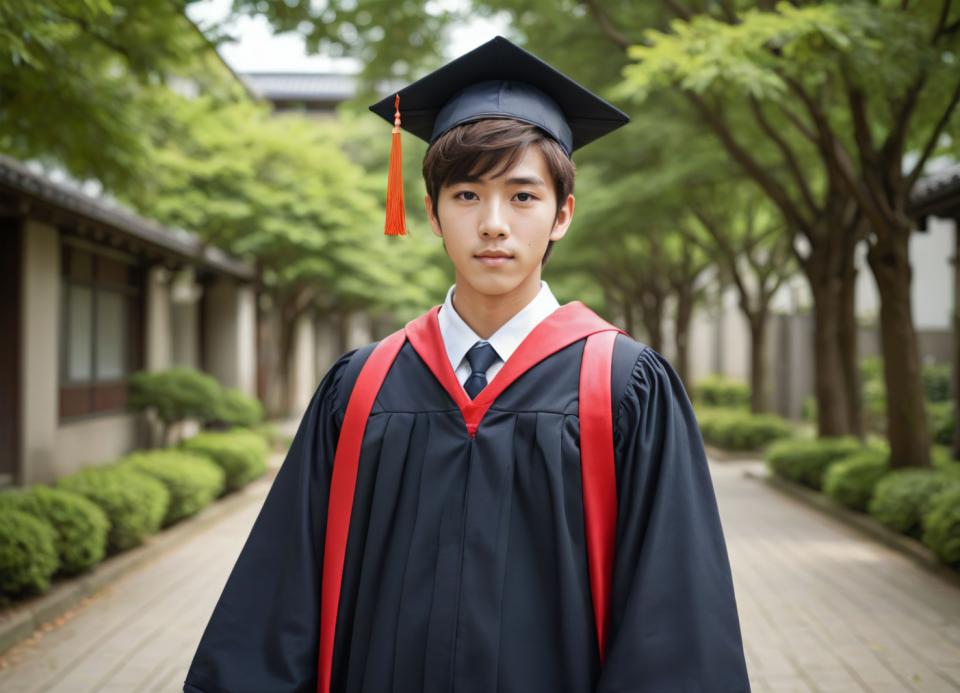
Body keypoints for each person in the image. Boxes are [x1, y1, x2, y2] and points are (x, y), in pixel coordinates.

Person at [183, 36, 750, 693]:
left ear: (563, 214)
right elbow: (280, 597)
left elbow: (674, 620)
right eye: (466, 195)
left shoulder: (624, 386)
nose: (493, 224)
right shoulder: (362, 387)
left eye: (523, 196)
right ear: (431, 213)